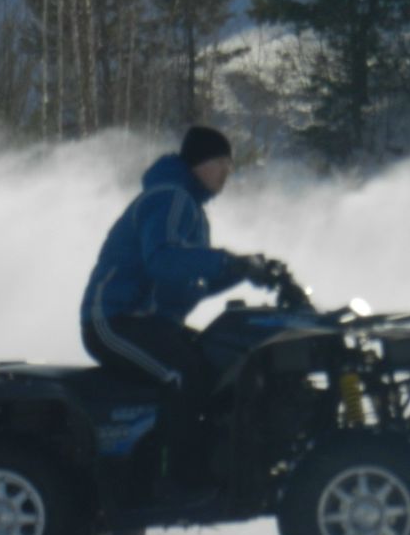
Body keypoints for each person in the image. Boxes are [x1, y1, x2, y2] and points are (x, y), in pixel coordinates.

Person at [80, 125, 288, 495]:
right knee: (182, 375)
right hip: (114, 320)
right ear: (201, 162)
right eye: (223, 162)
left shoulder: (190, 209)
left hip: (152, 324)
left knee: (220, 361)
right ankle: (180, 479)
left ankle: (219, 466)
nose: (228, 172)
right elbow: (162, 260)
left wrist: (242, 272)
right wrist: (228, 261)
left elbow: (189, 286)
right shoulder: (170, 197)